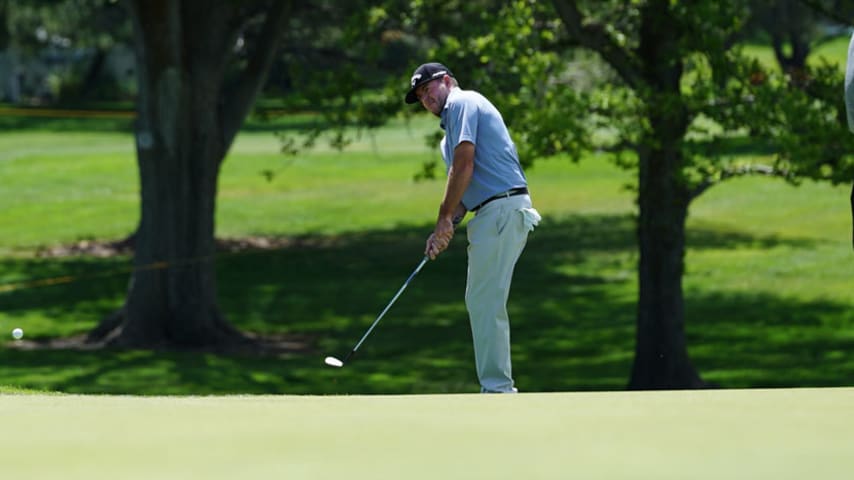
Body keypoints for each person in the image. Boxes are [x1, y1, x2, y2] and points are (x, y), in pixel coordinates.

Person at [405, 62, 541, 393]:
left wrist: (442, 217)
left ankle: (497, 389)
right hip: (490, 213)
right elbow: (464, 194)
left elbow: (464, 163)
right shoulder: (445, 139)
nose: (426, 98)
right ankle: (496, 387)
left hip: (503, 208)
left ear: (448, 81)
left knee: (484, 300)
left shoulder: (463, 102)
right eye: (420, 95)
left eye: (429, 89)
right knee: (481, 299)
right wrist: (444, 229)